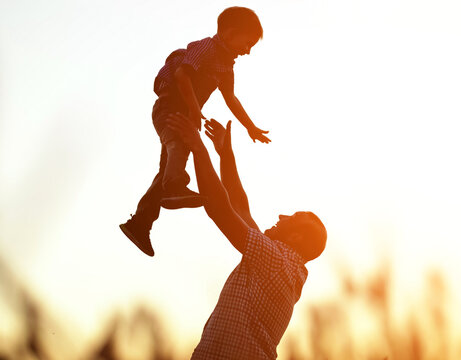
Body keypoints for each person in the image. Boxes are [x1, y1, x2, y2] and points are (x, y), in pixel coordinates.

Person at [166, 113, 327, 359]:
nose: (282, 216)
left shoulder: (276, 262)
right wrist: (225, 154)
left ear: (297, 239)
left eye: (291, 218)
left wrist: (197, 148)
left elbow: (221, 210)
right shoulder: (279, 265)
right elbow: (240, 208)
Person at [120, 7, 270, 256]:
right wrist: (193, 109)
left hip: (185, 112)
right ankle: (175, 187)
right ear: (231, 33)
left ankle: (140, 224)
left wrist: (250, 126)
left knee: (168, 167)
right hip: (171, 106)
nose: (248, 50)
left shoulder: (226, 67)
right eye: (248, 43)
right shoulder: (206, 48)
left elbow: (230, 98)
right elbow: (182, 75)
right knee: (178, 146)